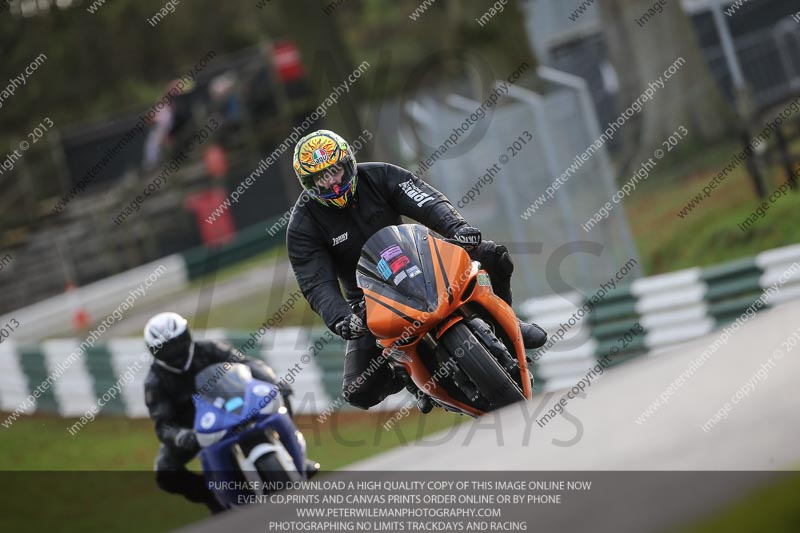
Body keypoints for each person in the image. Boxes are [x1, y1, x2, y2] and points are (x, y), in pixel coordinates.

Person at [286, 130, 547, 413]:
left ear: (348, 162)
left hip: (422, 262)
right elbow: (315, 283)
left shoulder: (380, 174)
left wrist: (457, 227)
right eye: (321, 178)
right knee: (358, 390)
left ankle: (508, 319)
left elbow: (426, 200)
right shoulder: (302, 225)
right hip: (369, 302)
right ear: (307, 183)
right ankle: (408, 374)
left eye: (335, 171)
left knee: (492, 254)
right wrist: (341, 318)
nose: (333, 182)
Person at [142, 312, 314, 514]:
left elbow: (247, 363)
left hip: (231, 407)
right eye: (165, 348)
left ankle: (296, 456)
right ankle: (212, 495)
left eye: (176, 343)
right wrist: (181, 436)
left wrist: (272, 381)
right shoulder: (155, 382)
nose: (174, 351)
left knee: (279, 396)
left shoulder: (210, 349)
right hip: (195, 430)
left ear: (186, 336)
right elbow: (163, 425)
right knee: (164, 471)